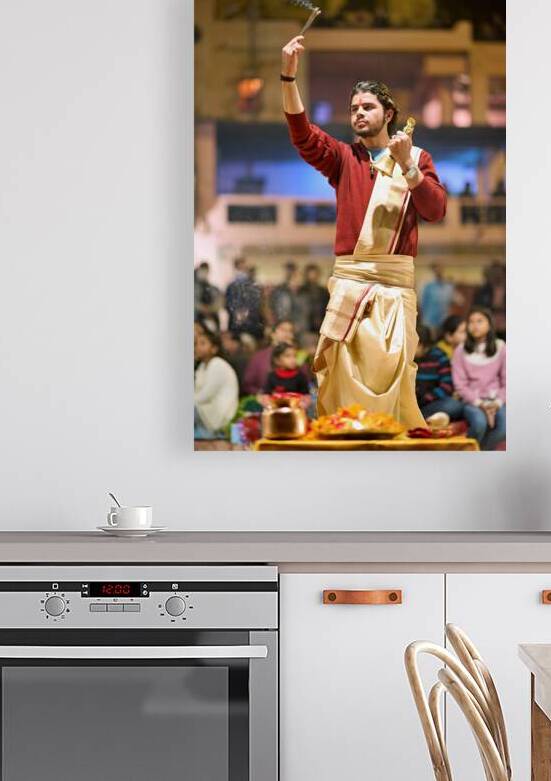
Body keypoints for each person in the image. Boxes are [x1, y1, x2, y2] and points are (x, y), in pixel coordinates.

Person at [281, 35, 446, 426]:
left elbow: (435, 210)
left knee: (393, 383)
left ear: (389, 114)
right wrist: (288, 78)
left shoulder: (417, 158)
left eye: (367, 107)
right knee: (342, 381)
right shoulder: (343, 157)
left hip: (395, 291)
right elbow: (302, 133)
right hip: (349, 285)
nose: (358, 113)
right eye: (354, 108)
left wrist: (407, 167)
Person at [451, 307, 506, 450]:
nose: (475, 325)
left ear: (490, 324)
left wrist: (497, 403)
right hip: (472, 401)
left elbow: (507, 381)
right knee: (479, 423)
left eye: (480, 321)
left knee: (505, 427)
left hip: (496, 401)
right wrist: (481, 404)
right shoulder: (460, 350)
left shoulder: (501, 347)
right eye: (471, 322)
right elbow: (460, 385)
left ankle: (480, 454)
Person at [194, 331, 239, 440]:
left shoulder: (217, 365)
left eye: (202, 343)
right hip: (208, 410)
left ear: (214, 348)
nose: (197, 347)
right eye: (196, 344)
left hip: (222, 415)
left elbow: (204, 396)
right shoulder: (202, 366)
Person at [414, 326, 464, 422]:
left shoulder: (439, 356)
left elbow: (447, 386)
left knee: (454, 405)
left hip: (429, 403)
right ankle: (423, 418)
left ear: (420, 344)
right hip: (409, 403)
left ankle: (420, 418)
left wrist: (427, 398)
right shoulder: (405, 357)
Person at [242, 319, 296, 395]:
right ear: (273, 334)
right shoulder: (259, 357)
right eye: (283, 330)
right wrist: (262, 394)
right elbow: (248, 384)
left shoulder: (298, 356)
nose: (287, 334)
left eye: (290, 331)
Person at [225, 258, 264, 339]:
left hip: (252, 324)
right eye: (240, 267)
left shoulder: (253, 286)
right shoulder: (232, 286)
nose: (242, 270)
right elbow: (229, 305)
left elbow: (257, 304)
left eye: (244, 267)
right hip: (238, 325)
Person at [420, 264, 455, 333]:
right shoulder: (428, 286)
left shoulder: (447, 286)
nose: (439, 272)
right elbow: (423, 303)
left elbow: (452, 301)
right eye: (436, 270)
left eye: (440, 270)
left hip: (443, 319)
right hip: (430, 319)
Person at [299, 264, 330, 333]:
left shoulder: (323, 291)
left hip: (320, 323)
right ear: (306, 275)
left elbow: (326, 306)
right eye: (311, 274)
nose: (313, 276)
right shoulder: (302, 290)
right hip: (305, 324)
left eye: (315, 274)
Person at [194, 261, 222, 332]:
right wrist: (202, 308)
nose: (206, 273)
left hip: (208, 313)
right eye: (204, 271)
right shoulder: (195, 283)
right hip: (198, 315)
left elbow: (216, 295)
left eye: (207, 271)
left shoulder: (207, 284)